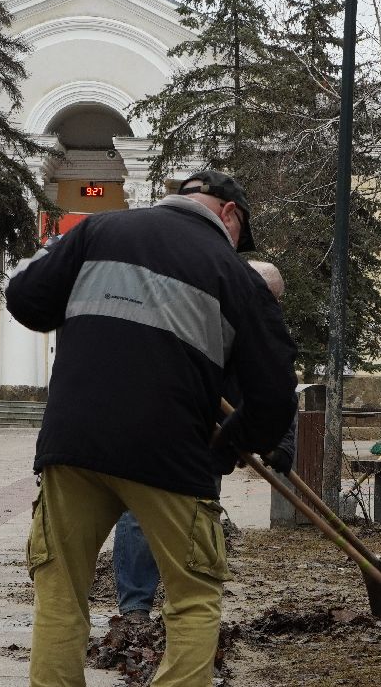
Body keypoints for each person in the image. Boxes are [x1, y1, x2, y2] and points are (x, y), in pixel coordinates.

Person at [6, 169, 297, 687]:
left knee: (62, 592)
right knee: (193, 595)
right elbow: (274, 396)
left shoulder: (97, 229)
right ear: (230, 214)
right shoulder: (234, 275)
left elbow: (26, 301)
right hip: (171, 455)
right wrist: (228, 446)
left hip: (74, 442)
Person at [101, 259, 295, 653]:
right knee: (139, 515)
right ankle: (135, 608)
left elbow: (276, 387)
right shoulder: (192, 315)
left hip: (214, 444)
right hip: (157, 432)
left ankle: (186, 605)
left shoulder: (259, 330)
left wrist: (281, 442)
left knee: (199, 517)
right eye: (268, 298)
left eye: (276, 301)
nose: (272, 308)